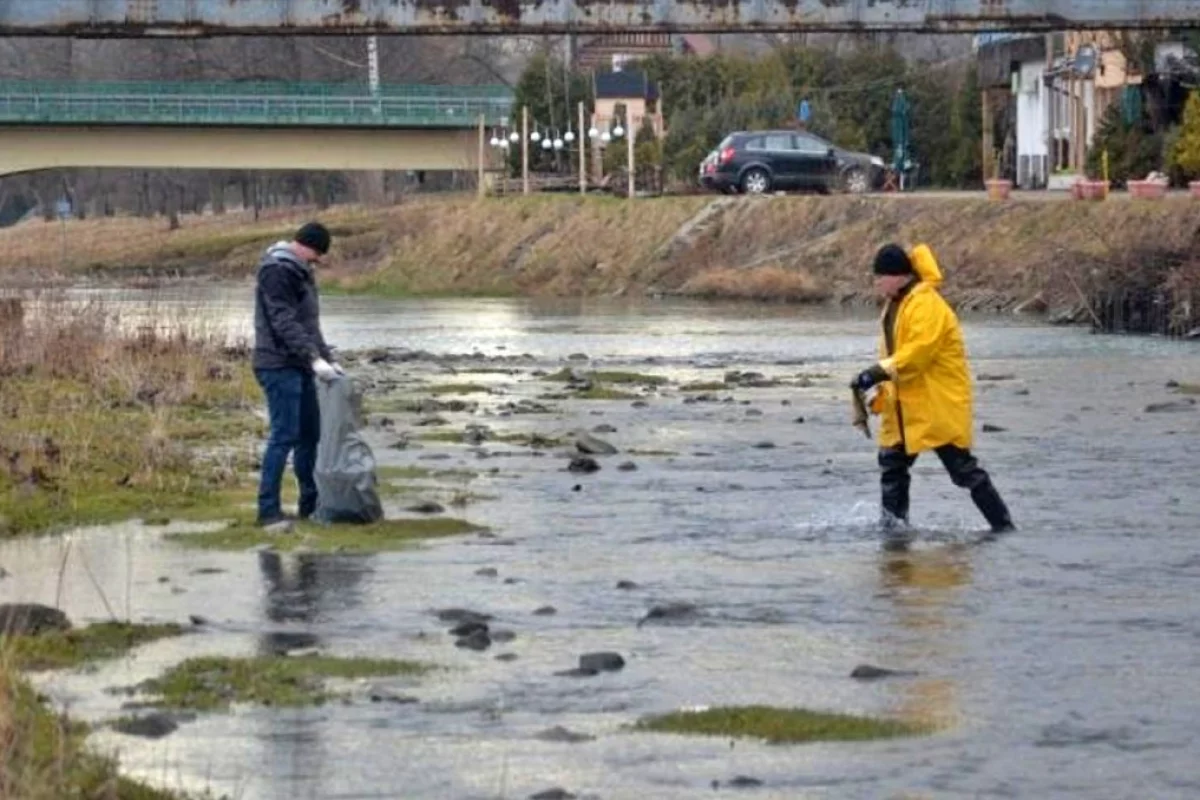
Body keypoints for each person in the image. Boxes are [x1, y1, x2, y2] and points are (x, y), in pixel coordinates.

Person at [850, 243, 1014, 535]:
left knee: (963, 471)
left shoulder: (926, 304)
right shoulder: (898, 302)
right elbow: (898, 354)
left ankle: (1003, 527)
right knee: (892, 468)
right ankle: (893, 536)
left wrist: (878, 372)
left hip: (935, 404)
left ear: (898, 276)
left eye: (880, 277)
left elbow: (918, 353)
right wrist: (880, 386)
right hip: (904, 407)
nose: (876, 283)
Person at [252, 222, 343, 527]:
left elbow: (309, 324)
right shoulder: (276, 271)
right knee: (283, 437)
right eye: (316, 253)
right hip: (276, 364)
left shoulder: (302, 272)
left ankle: (310, 506)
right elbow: (284, 321)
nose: (316, 259)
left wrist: (327, 359)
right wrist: (313, 358)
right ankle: (268, 512)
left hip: (299, 365)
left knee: (309, 436)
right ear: (305, 245)